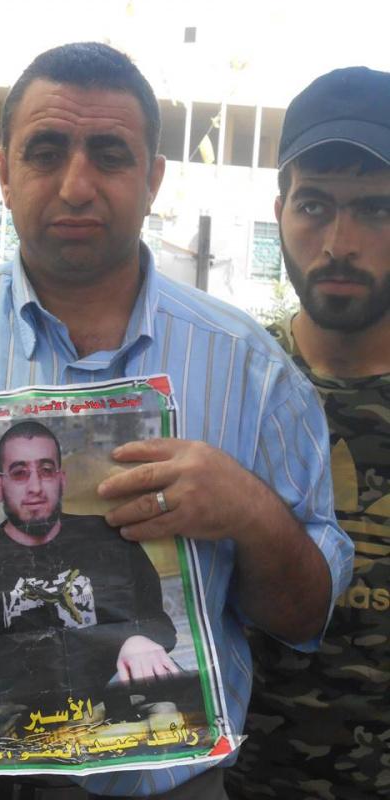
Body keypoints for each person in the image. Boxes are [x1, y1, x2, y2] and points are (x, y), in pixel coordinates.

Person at [0, 42, 353, 800]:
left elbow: (304, 615)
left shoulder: (251, 371)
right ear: (3, 171)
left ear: (153, 180)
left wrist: (249, 513)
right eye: (46, 151)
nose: (76, 185)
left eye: (110, 156)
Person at [226, 66, 390, 800]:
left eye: (376, 209)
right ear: (280, 211)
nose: (340, 243)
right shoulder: (225, 383)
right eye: (314, 205)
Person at [0, 420, 179, 723]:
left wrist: (136, 638)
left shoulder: (111, 541)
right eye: (19, 473)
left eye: (46, 470)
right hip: (19, 736)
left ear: (62, 480)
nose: (35, 487)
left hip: (116, 718)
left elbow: (159, 624)